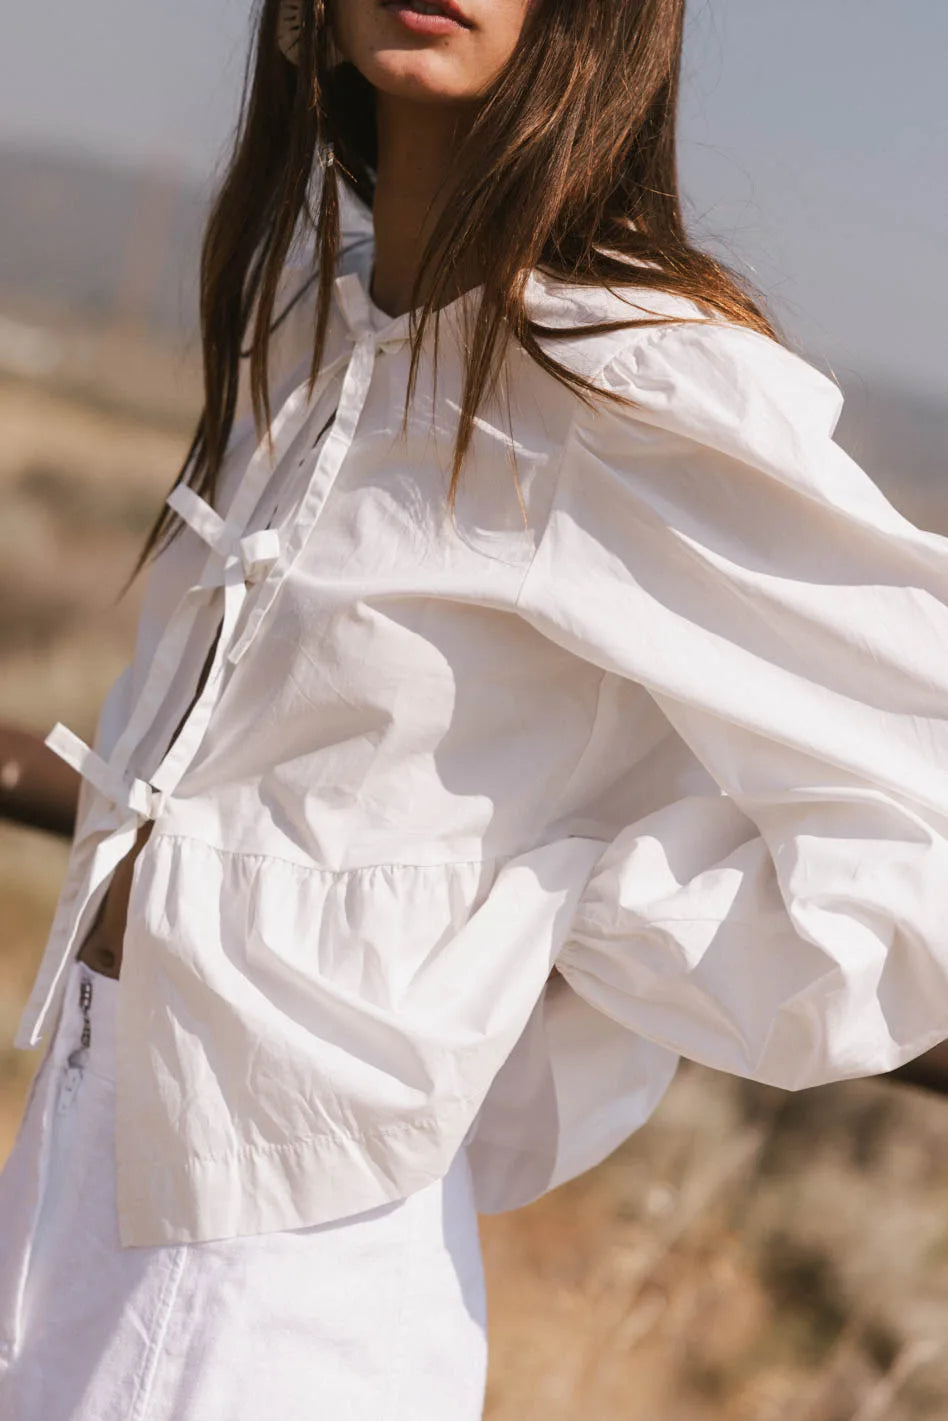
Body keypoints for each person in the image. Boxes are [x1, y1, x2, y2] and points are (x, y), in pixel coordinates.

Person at [2, 0, 948, 1415]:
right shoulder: (318, 311)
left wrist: (560, 908)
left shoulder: (625, 380)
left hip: (282, 1278)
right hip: (78, 1173)